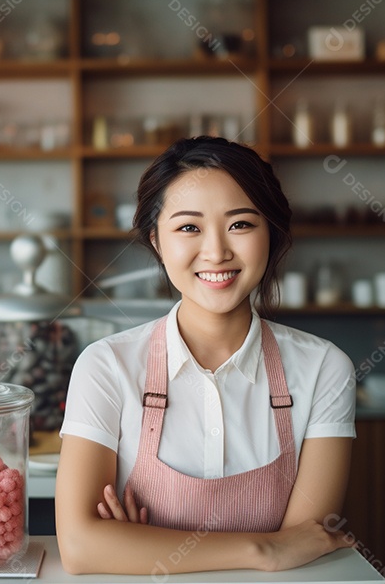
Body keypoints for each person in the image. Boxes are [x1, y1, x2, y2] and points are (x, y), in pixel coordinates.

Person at [56, 136, 356, 575]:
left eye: (241, 224)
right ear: (156, 240)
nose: (216, 252)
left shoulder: (324, 368)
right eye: (189, 228)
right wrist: (264, 550)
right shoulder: (106, 366)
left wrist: (136, 545)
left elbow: (303, 545)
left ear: (271, 234)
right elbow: (80, 547)